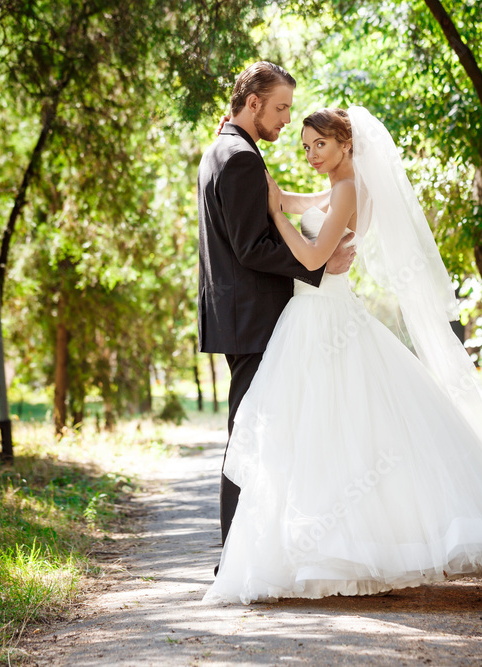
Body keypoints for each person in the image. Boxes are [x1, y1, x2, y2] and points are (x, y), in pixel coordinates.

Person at [203, 107, 482, 604]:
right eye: (305, 146)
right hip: (317, 316)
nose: (311, 154)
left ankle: (338, 550)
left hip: (323, 316)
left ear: (346, 143)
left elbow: (314, 258)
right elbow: (302, 202)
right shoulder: (344, 185)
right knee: (329, 432)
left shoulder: (346, 189)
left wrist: (275, 215)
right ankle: (330, 547)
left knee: (324, 429)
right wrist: (263, 178)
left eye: (320, 144)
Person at [197, 62, 357, 567]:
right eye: (281, 107)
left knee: (258, 431)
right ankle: (236, 557)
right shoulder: (241, 158)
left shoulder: (221, 150)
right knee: (248, 433)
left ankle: (253, 552)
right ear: (253, 103)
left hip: (239, 315)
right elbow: (251, 247)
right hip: (253, 317)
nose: (287, 120)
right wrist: (318, 263)